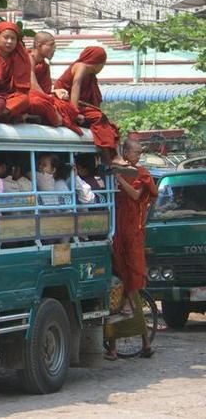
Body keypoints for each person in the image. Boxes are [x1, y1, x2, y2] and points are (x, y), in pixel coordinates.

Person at [104, 138, 158, 360]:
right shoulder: (119, 169)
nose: (139, 155)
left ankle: (142, 344)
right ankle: (118, 348)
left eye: (140, 152)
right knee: (117, 289)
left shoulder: (139, 173)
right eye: (135, 152)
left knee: (133, 287)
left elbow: (137, 196)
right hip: (118, 235)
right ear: (125, 152)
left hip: (133, 236)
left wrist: (119, 179)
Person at [53, 47, 129, 169]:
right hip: (66, 103)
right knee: (99, 117)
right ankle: (111, 157)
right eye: (103, 64)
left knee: (110, 126)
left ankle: (109, 156)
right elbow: (76, 85)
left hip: (79, 105)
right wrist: (74, 112)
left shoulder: (90, 76)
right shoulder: (81, 66)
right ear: (98, 63)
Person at [27, 32, 83, 135]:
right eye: (51, 45)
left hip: (40, 96)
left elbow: (45, 90)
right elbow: (32, 85)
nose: (54, 49)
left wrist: (55, 92)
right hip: (28, 95)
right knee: (42, 103)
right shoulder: (28, 59)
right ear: (39, 45)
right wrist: (49, 98)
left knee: (66, 106)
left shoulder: (44, 66)